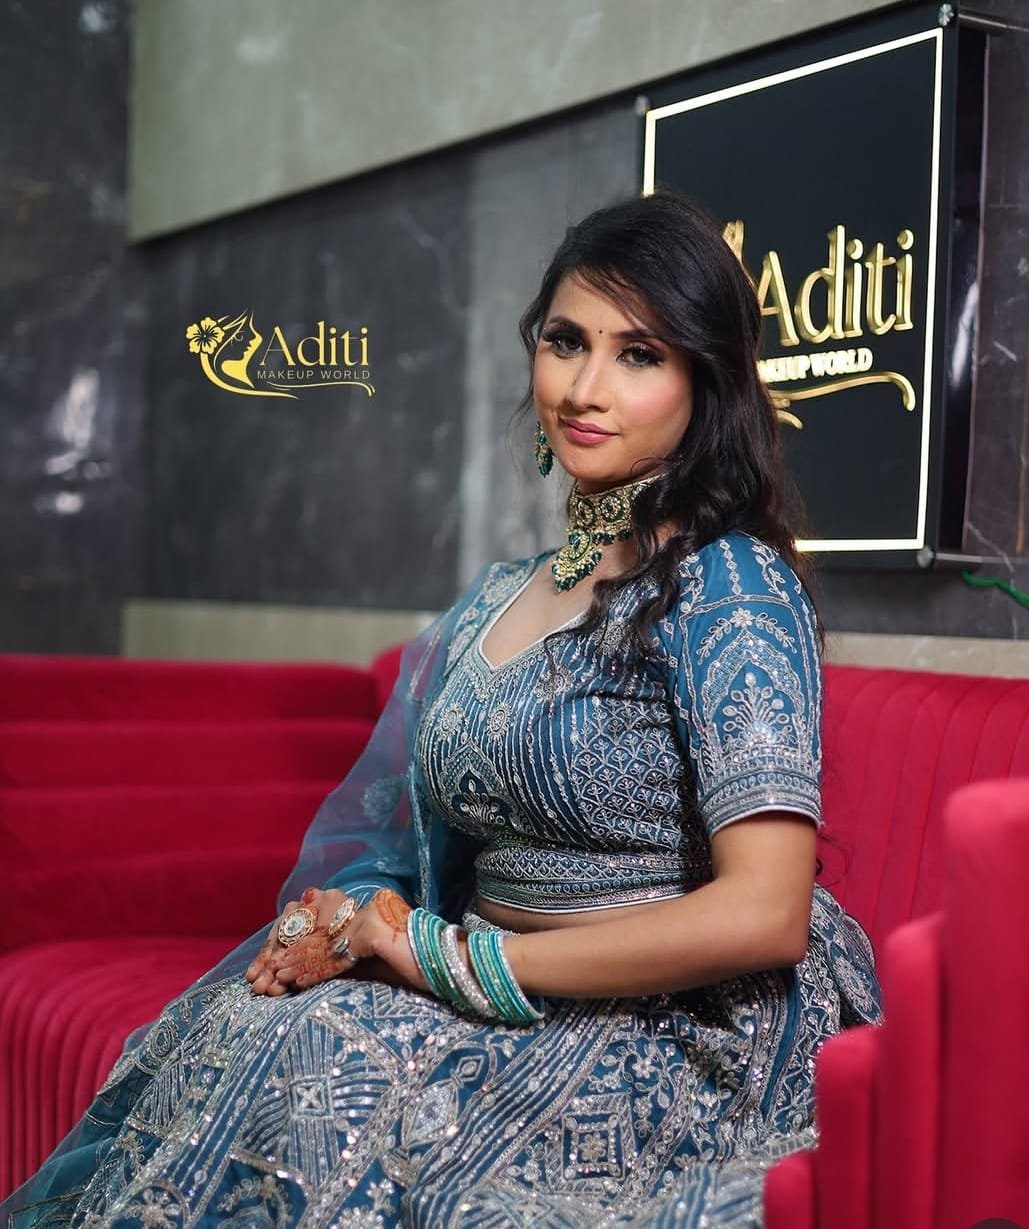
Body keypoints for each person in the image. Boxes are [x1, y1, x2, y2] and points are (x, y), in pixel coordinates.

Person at [3, 189, 882, 1229]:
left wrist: (447, 959)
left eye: (640, 354)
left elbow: (765, 914)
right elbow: (406, 841)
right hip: (491, 990)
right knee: (238, 1031)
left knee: (324, 1066)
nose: (585, 388)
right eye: (566, 341)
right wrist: (351, 925)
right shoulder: (504, 594)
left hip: (676, 1032)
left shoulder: (729, 584)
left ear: (707, 383)